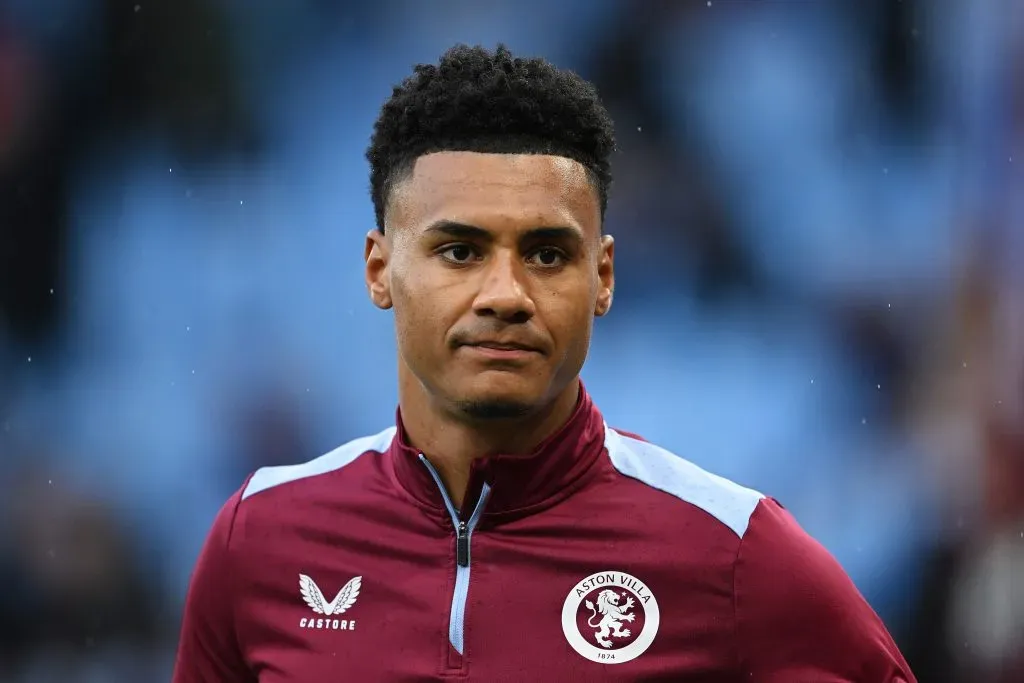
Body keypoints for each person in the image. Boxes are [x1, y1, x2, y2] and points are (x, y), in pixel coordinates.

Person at [172, 44, 916, 682]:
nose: (505, 294)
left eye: (547, 253)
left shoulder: (737, 553)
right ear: (379, 269)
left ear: (602, 277)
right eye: (459, 250)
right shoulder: (260, 541)